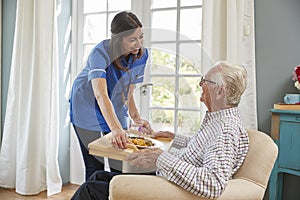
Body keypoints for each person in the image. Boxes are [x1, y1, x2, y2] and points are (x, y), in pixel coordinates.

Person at [70, 60, 250, 200]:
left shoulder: (225, 130)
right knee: (98, 176)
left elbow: (212, 183)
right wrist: (175, 138)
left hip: (170, 189)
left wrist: (161, 158)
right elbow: (204, 148)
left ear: (220, 91)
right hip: (168, 179)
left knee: (90, 190)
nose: (200, 84)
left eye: (205, 80)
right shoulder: (219, 121)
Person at [69, 11, 152, 179]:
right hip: (86, 104)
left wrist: (136, 118)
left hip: (113, 103)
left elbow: (127, 90)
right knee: (94, 164)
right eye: (132, 39)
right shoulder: (100, 52)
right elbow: (100, 94)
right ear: (118, 38)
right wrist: (115, 129)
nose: (138, 44)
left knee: (120, 160)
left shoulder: (141, 55)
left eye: (140, 37)